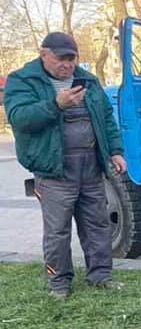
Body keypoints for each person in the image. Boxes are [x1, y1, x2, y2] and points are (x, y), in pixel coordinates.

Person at [4, 31, 127, 299]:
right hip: (53, 170)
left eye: (72, 59)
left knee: (97, 224)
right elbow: (20, 118)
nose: (68, 65)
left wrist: (116, 151)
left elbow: (106, 118)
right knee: (58, 230)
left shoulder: (88, 80)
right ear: (44, 54)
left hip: (91, 167)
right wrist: (55, 105)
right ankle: (59, 284)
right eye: (61, 59)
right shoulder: (22, 81)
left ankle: (101, 276)